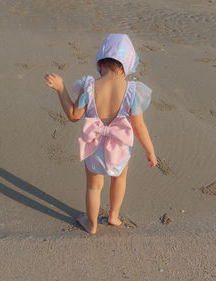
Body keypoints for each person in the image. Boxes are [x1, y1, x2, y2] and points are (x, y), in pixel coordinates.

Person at [45, 34, 157, 234]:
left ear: (101, 62)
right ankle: (113, 216)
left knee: (94, 187)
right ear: (126, 65)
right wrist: (150, 151)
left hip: (93, 144)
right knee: (119, 179)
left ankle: (92, 224)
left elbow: (73, 115)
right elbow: (139, 126)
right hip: (120, 148)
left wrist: (61, 89)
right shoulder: (132, 91)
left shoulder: (89, 86)